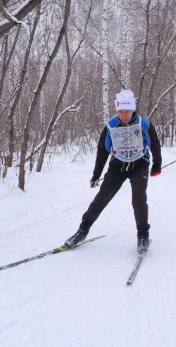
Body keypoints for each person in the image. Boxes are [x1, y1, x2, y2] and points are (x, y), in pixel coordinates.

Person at [64, 90, 162, 253]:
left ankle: (143, 235)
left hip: (140, 164)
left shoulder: (143, 124)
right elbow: (102, 151)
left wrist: (157, 166)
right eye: (121, 111)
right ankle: (82, 231)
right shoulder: (110, 125)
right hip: (118, 166)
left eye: (127, 111)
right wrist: (96, 175)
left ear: (133, 110)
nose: (124, 115)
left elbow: (155, 145)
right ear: (117, 110)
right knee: (101, 198)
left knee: (139, 198)